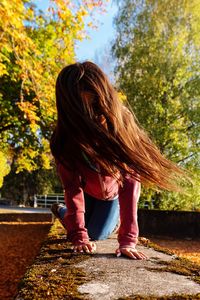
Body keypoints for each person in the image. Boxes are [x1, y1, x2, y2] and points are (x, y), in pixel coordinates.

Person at [50, 61, 185, 259]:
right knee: (84, 233)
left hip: (110, 196)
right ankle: (65, 213)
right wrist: (78, 236)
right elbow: (72, 189)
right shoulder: (64, 140)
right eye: (82, 111)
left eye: (95, 108)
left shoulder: (121, 125)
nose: (91, 119)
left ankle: (63, 213)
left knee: (97, 234)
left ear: (103, 101)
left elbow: (130, 183)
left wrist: (128, 240)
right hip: (86, 190)